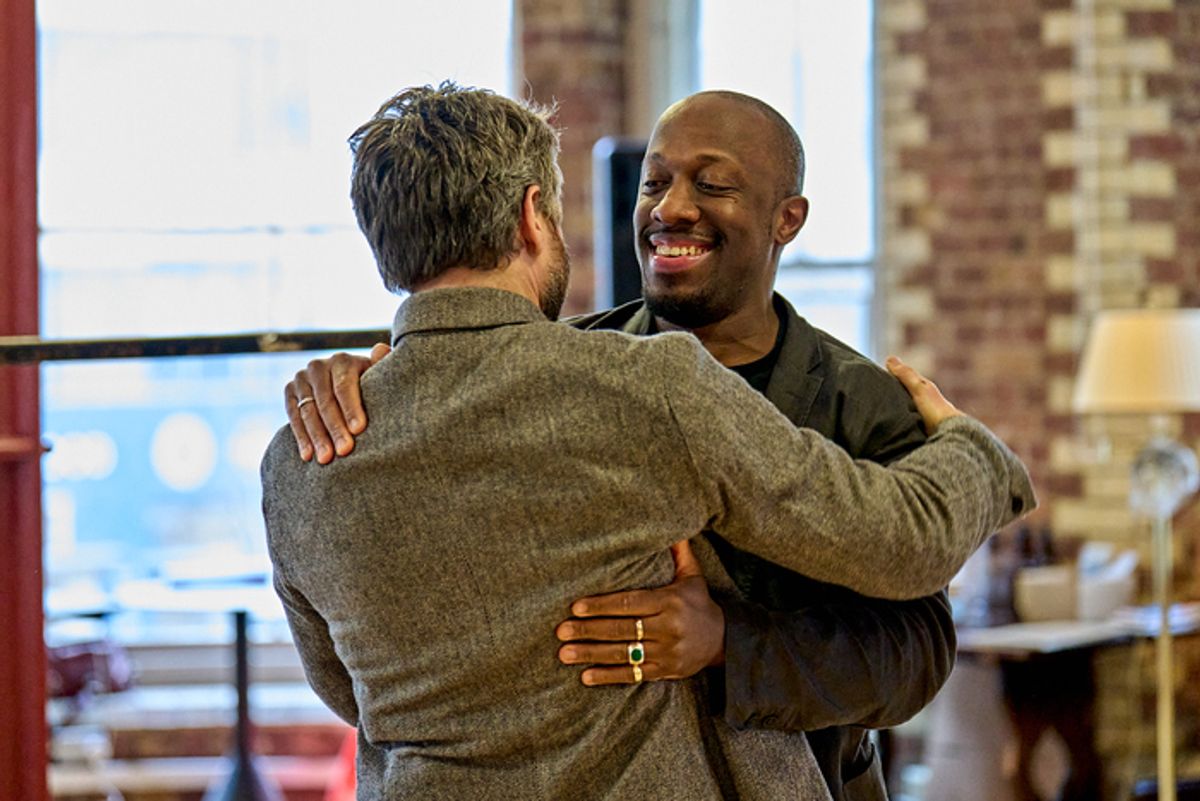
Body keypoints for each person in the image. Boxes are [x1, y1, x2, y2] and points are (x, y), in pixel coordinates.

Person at [265, 83, 1034, 799]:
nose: (672, 208)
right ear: (534, 216)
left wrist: (729, 642)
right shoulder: (635, 383)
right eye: (653, 182)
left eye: (714, 184)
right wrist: (975, 449)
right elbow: (906, 534)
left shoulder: (299, 458)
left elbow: (350, 687)